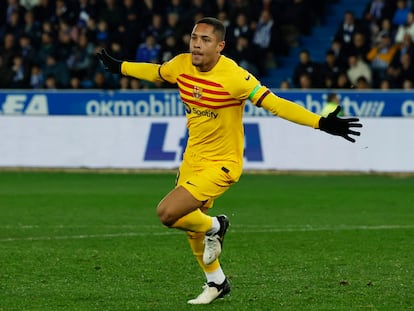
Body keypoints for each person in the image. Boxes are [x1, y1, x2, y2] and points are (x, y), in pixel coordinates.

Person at [97, 17, 362, 305]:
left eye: (205, 40)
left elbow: (275, 104)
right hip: (192, 159)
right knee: (188, 225)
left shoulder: (234, 77)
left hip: (222, 163)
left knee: (167, 213)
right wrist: (120, 66)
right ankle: (217, 282)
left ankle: (215, 226)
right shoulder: (182, 64)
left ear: (220, 46)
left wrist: (320, 122)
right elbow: (157, 72)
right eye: (194, 38)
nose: (197, 44)